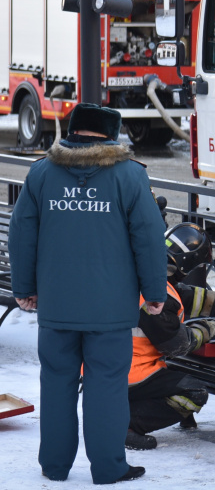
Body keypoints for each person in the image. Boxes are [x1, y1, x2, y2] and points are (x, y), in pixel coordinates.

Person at [9, 103, 166, 484]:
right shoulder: (129, 176)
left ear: (73, 132)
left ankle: (55, 466)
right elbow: (148, 237)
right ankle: (109, 468)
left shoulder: (42, 173)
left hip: (57, 306)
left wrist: (25, 288)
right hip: (111, 310)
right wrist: (154, 290)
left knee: (57, 383)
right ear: (111, 135)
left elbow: (22, 232)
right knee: (107, 388)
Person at [125, 223, 215, 451]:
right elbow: (177, 344)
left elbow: (183, 294)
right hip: (131, 373)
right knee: (193, 392)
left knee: (173, 375)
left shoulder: (145, 272)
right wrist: (210, 329)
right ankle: (129, 426)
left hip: (108, 366)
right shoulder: (157, 297)